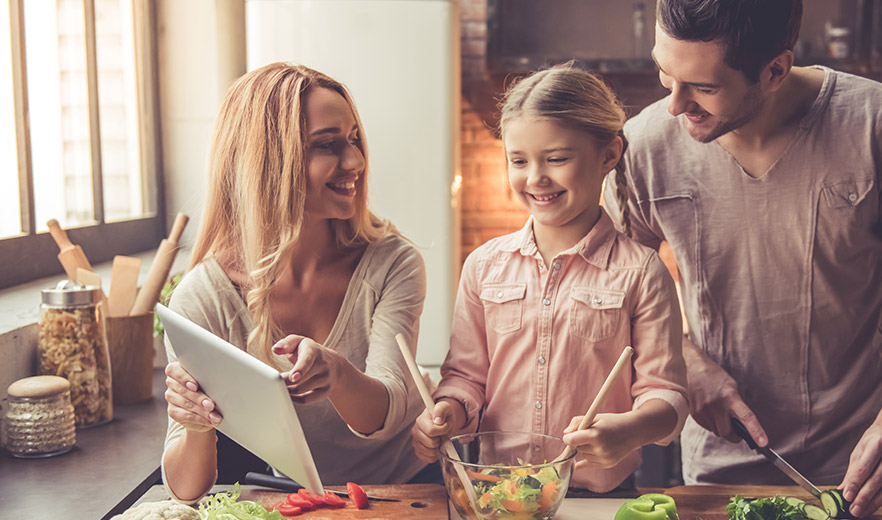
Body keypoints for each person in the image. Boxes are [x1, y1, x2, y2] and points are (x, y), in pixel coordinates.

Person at [603, 0, 882, 516]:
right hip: (718, 469)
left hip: (861, 473)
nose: (674, 104)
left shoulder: (872, 126)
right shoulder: (641, 148)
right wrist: (685, 362)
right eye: (666, 73)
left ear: (775, 69)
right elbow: (614, 295)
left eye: (703, 88)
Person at [411, 63, 689, 492]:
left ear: (608, 155)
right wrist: (448, 409)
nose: (536, 177)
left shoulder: (642, 273)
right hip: (498, 492)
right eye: (518, 160)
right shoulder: (483, 266)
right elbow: (467, 378)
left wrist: (628, 431)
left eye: (557, 159)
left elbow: (667, 396)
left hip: (598, 498)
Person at [161, 62, 432, 503]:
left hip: (411, 489)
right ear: (267, 162)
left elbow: (387, 410)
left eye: (354, 139)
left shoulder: (392, 263)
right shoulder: (201, 299)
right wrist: (194, 424)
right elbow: (187, 488)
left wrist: (338, 375)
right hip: (303, 497)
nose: (356, 162)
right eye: (327, 144)